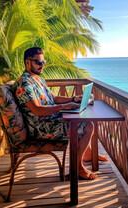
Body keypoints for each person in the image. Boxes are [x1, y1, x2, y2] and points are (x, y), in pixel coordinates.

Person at [13, 47, 98, 180]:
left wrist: (73, 99)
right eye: (38, 62)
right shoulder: (24, 82)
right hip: (40, 127)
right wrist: (64, 106)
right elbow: (37, 109)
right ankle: (78, 167)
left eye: (43, 62)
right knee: (88, 126)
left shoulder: (38, 80)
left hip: (50, 120)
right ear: (27, 62)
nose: (42, 66)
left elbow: (54, 98)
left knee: (82, 118)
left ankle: (86, 155)